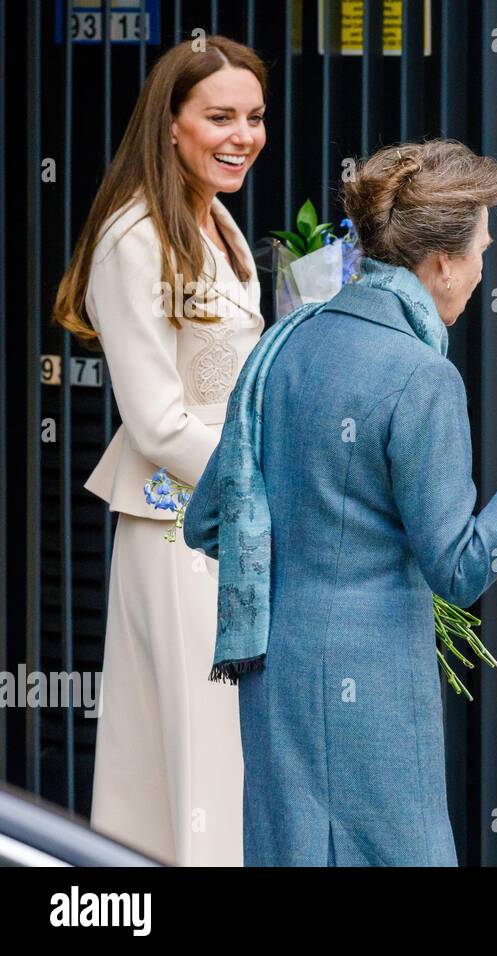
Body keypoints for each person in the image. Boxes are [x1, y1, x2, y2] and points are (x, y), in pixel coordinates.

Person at [184, 139, 497, 866]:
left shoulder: (285, 344)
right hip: (374, 679)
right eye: (481, 250)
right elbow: (458, 567)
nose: (484, 267)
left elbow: (209, 518)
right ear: (442, 263)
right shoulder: (421, 375)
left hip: (276, 671)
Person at [53, 36, 268, 866]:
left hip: (225, 529)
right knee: (196, 757)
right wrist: (268, 486)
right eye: (219, 116)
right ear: (169, 124)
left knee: (210, 760)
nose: (241, 135)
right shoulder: (132, 237)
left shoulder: (216, 218)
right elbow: (156, 422)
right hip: (180, 528)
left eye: (253, 117)